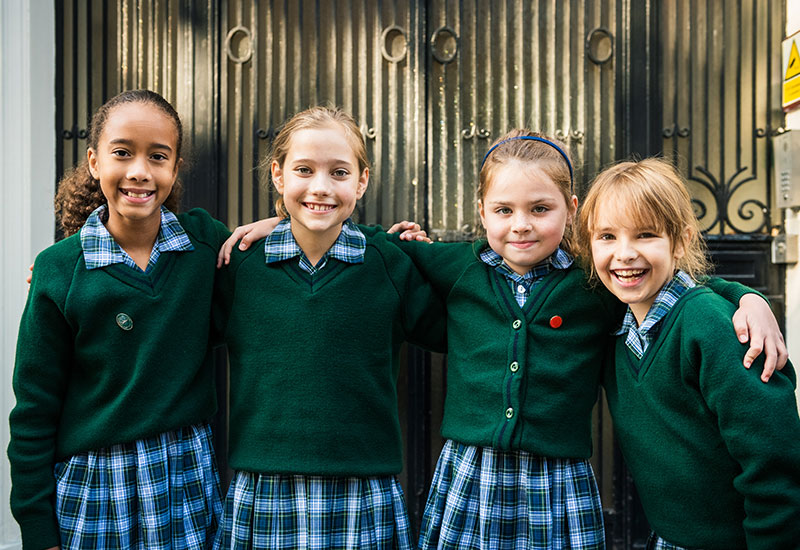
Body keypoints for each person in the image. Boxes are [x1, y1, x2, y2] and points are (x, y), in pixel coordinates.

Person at [218, 130, 785, 549]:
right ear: (481, 213)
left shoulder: (594, 281)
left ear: (573, 211)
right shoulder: (459, 267)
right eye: (504, 210)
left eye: (541, 209)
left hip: (556, 481)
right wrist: (281, 225)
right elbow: (360, 239)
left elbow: (671, 284)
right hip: (471, 475)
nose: (521, 224)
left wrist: (747, 297)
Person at [211, 106, 445, 550]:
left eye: (339, 172)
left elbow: (463, 328)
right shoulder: (240, 266)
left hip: (364, 492)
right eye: (304, 170)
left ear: (362, 180)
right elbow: (170, 313)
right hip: (263, 490)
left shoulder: (389, 264)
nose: (320, 187)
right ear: (278, 176)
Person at [8, 90, 228, 550]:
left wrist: (274, 225)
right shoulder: (59, 269)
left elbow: (281, 259)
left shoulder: (204, 245)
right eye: (122, 153)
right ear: (93, 162)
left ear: (175, 167)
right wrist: (38, 530)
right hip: (94, 488)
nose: (139, 171)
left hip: (184, 476)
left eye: (158, 156)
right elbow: (34, 409)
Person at [578, 158, 800, 549]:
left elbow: (774, 462)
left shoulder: (712, 325)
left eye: (646, 234)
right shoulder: (615, 323)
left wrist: (747, 298)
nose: (624, 253)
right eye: (607, 237)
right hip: (668, 538)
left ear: (681, 241)